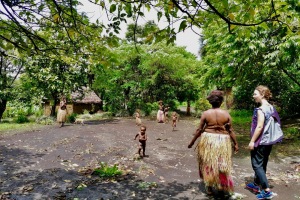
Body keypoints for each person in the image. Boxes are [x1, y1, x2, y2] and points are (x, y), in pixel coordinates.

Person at [188, 90, 238, 195]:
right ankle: (221, 186)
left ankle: (209, 186)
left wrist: (192, 142)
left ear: (210, 102)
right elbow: (230, 130)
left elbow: (199, 130)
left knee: (208, 163)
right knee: (222, 163)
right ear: (221, 101)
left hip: (208, 140)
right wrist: (236, 144)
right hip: (223, 141)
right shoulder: (226, 114)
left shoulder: (206, 114)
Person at [246, 85, 281, 199]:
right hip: (268, 141)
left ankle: (266, 190)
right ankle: (256, 185)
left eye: (255, 94)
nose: (253, 96)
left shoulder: (261, 109)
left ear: (262, 95)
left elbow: (260, 126)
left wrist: (252, 141)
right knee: (262, 163)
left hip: (261, 141)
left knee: (256, 165)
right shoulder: (271, 107)